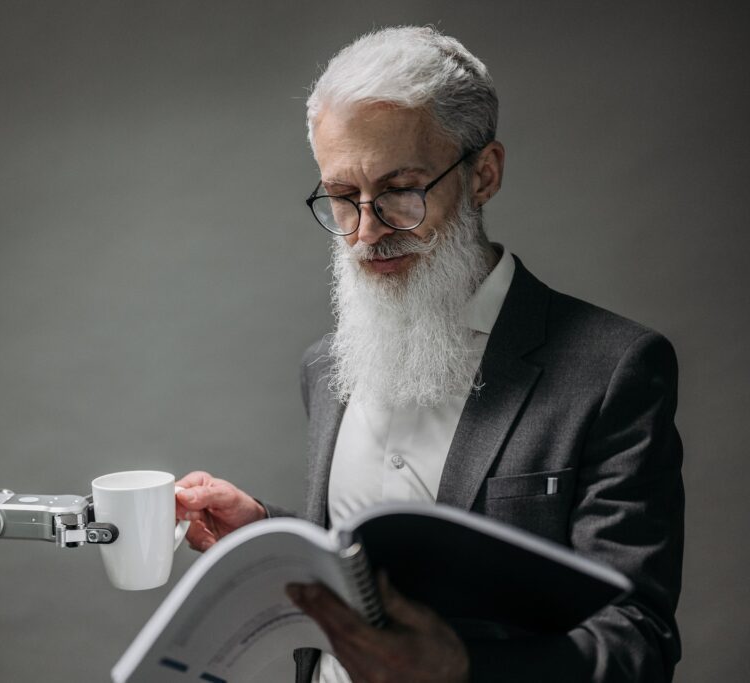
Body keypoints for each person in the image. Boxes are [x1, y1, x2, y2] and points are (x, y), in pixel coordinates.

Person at [174, 26, 683, 683]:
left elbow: (638, 641)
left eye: (400, 189)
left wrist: (461, 668)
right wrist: (268, 530)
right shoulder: (326, 366)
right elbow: (378, 556)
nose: (367, 230)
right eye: (341, 196)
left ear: (485, 174)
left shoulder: (615, 369)